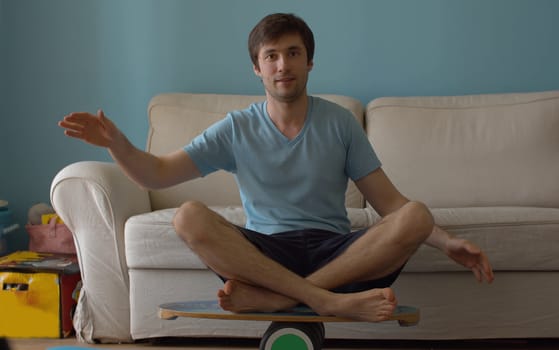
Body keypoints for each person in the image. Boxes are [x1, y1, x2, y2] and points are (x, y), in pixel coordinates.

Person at [59, 13, 493, 322]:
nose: (283, 64)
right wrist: (115, 142)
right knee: (188, 215)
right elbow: (157, 173)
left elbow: (392, 205)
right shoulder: (236, 127)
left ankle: (283, 300)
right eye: (272, 56)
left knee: (417, 214)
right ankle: (327, 301)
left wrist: (445, 240)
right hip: (266, 253)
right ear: (257, 67)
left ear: (309, 62)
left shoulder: (339, 123)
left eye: (293, 53)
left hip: (335, 251)